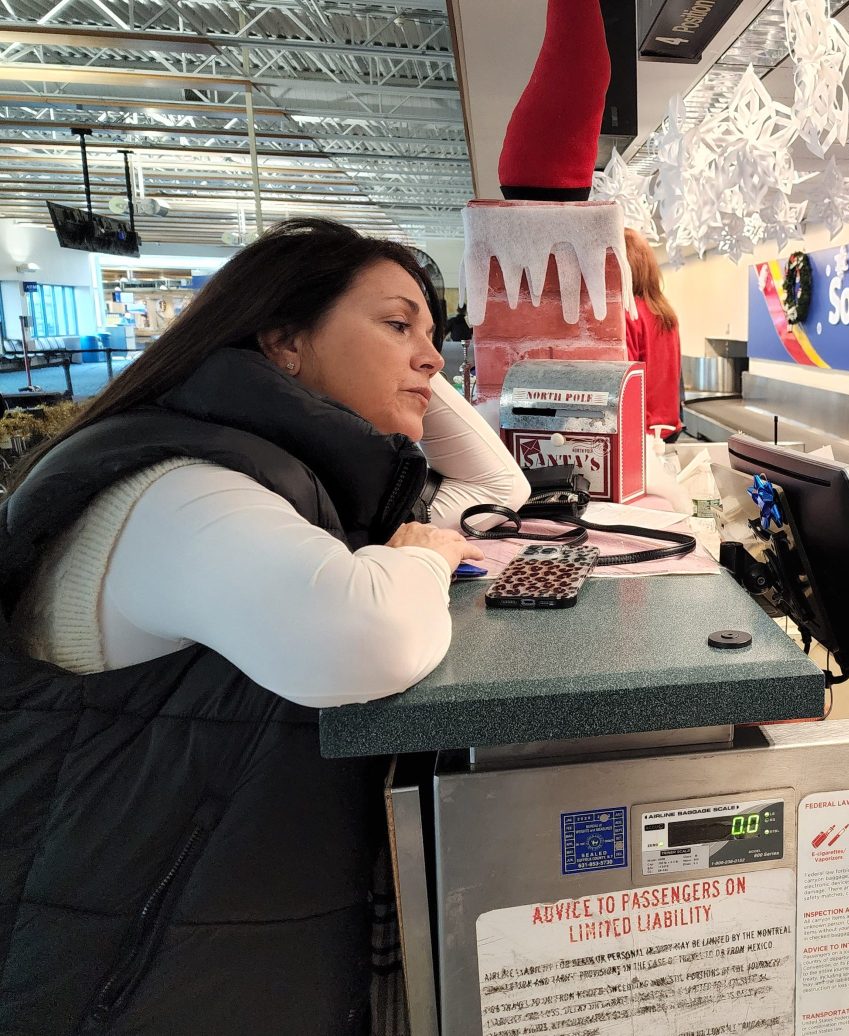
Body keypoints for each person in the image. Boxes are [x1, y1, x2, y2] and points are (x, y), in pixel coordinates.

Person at [0, 217, 528, 1033]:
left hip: (188, 936)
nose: (433, 357)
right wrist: (420, 556)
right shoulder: (182, 486)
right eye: (397, 325)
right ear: (282, 341)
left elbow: (495, 488)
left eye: (433, 337)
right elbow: (366, 637)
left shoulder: (281, 463)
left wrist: (408, 363)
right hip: (119, 983)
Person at [623, 227, 684, 442]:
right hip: (669, 428)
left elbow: (625, 385)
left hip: (643, 433)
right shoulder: (665, 313)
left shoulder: (629, 314)